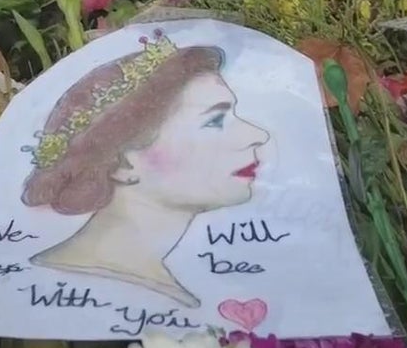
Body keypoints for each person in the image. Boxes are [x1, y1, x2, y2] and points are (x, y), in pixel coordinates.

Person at [20, 31, 269, 307]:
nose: (257, 135)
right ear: (123, 162)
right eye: (215, 121)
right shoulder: (86, 281)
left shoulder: (158, 285)